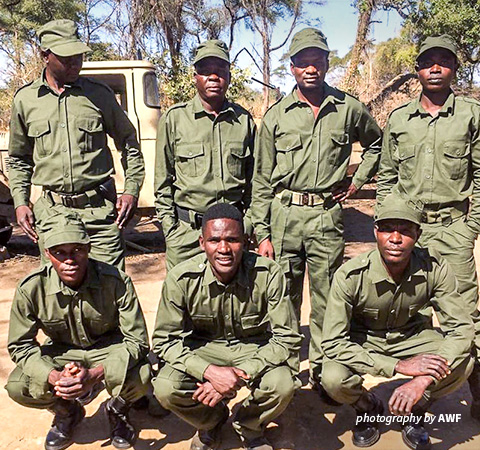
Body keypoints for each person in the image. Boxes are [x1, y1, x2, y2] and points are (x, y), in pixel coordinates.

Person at [251, 27, 382, 392]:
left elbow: (376, 145)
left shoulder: (348, 108)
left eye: (318, 61)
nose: (311, 69)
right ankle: (288, 366)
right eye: (303, 63)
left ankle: (324, 368)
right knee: (284, 295)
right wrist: (261, 231)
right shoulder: (276, 116)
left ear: (327, 64)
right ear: (291, 68)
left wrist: (356, 184)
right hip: (284, 214)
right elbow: (261, 179)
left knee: (328, 295)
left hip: (326, 214)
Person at [376, 34, 480, 418]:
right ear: (417, 69)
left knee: (466, 315)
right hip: (409, 231)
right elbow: (387, 177)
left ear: (455, 67)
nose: (435, 68)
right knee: (412, 312)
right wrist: (387, 226)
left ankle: (476, 392)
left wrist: (471, 228)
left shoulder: (471, 115)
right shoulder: (400, 119)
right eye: (427, 61)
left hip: (453, 228)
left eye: (443, 61)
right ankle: (415, 393)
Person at [321, 194, 474, 449]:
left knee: (463, 362)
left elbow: (461, 330)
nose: (395, 238)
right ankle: (367, 407)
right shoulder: (350, 276)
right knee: (332, 377)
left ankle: (415, 408)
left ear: (418, 234)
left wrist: (422, 381)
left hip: (412, 338)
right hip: (366, 340)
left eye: (405, 231)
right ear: (375, 231)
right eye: (387, 229)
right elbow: (333, 343)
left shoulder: (434, 268)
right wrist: (398, 366)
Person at [152, 203, 301, 450]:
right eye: (214, 240)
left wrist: (239, 374)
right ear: (202, 243)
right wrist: (209, 372)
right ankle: (211, 421)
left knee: (283, 384)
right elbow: (164, 341)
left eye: (232, 240)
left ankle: (249, 425)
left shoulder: (268, 274)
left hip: (253, 349)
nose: (223, 249)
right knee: (166, 388)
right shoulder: (181, 278)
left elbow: (286, 338)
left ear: (245, 241)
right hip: (204, 349)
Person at [8, 19, 145, 270]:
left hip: (100, 213)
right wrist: (20, 201)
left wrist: (131, 190)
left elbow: (129, 143)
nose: (75, 62)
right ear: (45, 55)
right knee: (59, 299)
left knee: (110, 292)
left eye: (78, 55)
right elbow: (18, 158)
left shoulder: (99, 95)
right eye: (66, 56)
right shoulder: (26, 100)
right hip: (53, 216)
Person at [5, 214, 151, 450]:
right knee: (18, 386)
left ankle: (118, 409)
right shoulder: (31, 288)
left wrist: (95, 374)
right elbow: (20, 346)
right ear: (47, 253)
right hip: (61, 353)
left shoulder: (116, 281)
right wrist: (55, 376)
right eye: (59, 252)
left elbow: (137, 341)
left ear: (88, 248)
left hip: (107, 350)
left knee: (143, 377)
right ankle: (68, 412)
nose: (69, 260)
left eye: (77, 250)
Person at [154, 39, 255, 271]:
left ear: (229, 76)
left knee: (233, 302)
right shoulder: (174, 119)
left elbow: (255, 183)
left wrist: (247, 225)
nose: (213, 77)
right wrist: (171, 231)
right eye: (205, 71)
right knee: (183, 303)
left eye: (220, 71)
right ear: (195, 76)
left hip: (231, 235)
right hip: (187, 235)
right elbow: (162, 183)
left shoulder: (243, 121)